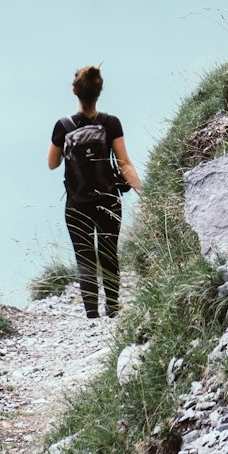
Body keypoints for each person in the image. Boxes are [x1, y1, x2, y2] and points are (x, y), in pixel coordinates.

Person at [47, 64, 142, 320]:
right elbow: (124, 163)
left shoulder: (63, 126)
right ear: (99, 92)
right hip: (109, 200)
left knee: (85, 256)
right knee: (109, 251)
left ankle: (92, 314)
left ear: (74, 91)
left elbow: (52, 163)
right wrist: (144, 192)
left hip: (76, 203)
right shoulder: (111, 123)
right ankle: (112, 308)